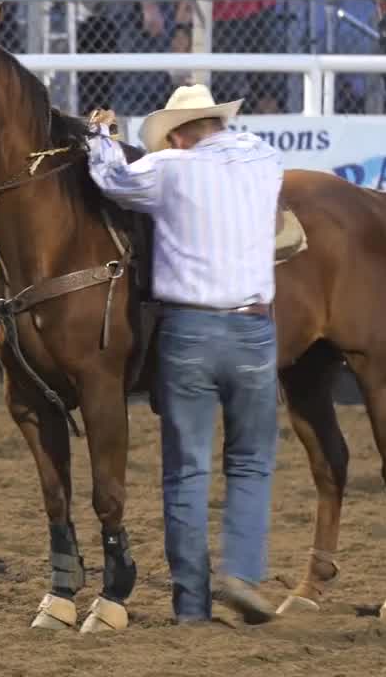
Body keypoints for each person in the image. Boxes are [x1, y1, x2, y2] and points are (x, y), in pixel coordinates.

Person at [85, 84, 282, 626]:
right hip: (254, 329)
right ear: (217, 122)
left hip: (189, 331)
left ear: (176, 132)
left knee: (187, 471)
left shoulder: (169, 167)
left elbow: (111, 178)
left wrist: (102, 135)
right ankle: (240, 572)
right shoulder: (267, 159)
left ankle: (191, 606)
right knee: (251, 460)